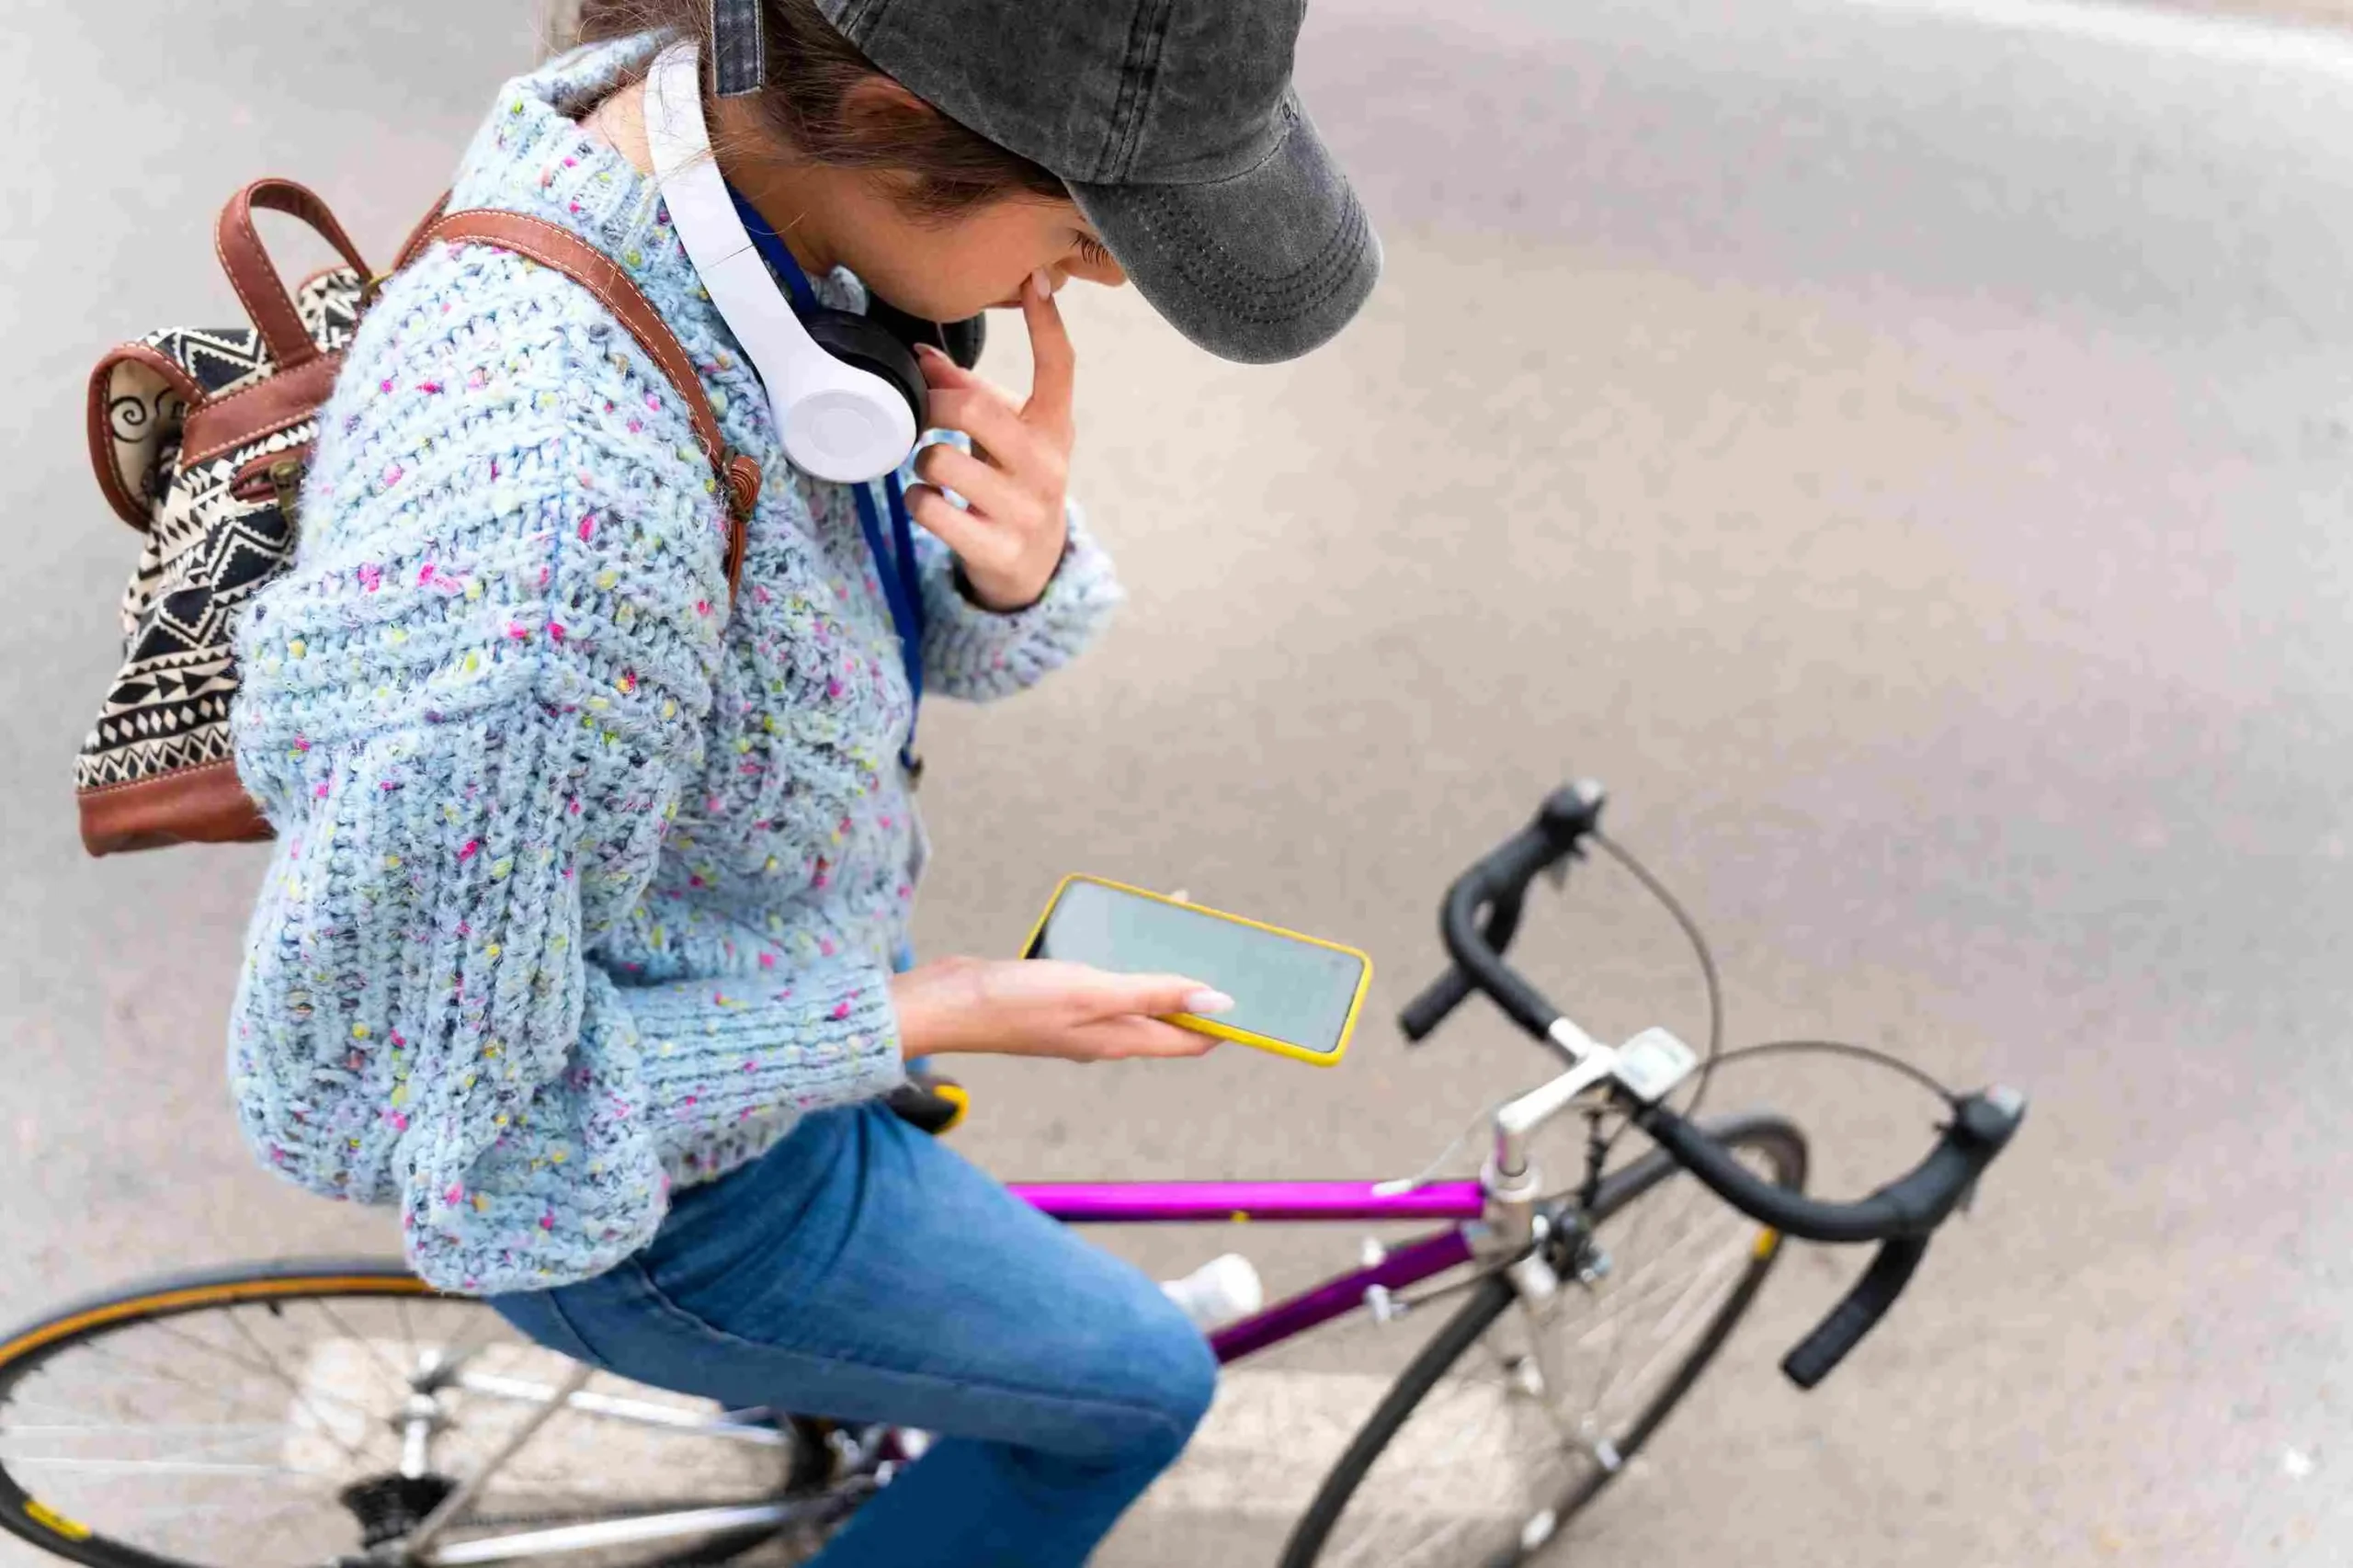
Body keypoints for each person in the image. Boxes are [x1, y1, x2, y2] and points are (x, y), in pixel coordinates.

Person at [225, 0, 1378, 1561]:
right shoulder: (554, 555)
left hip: (769, 1030)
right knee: (1140, 1387)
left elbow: (786, 647)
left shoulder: (725, 180)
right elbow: (457, 1128)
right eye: (1084, 229)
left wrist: (1009, 567)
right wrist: (922, 1012)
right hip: (677, 1199)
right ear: (895, 120)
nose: (1100, 280)